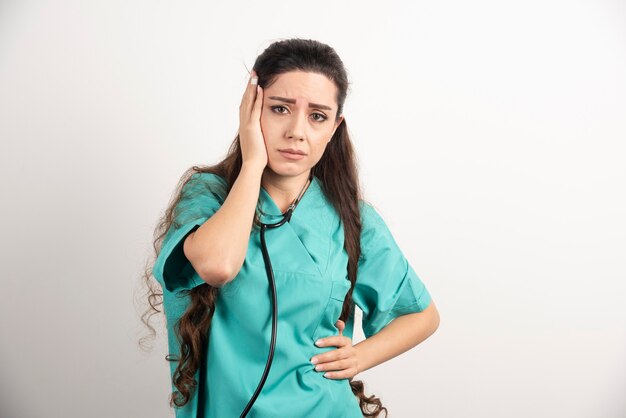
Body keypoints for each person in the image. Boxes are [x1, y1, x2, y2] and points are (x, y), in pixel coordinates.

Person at [141, 38, 440, 418]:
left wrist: (359, 356)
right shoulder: (209, 195)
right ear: (251, 112)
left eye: (317, 116)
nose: (297, 131)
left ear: (334, 127)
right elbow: (218, 265)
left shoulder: (353, 219)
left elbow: (422, 315)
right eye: (280, 109)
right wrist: (252, 165)